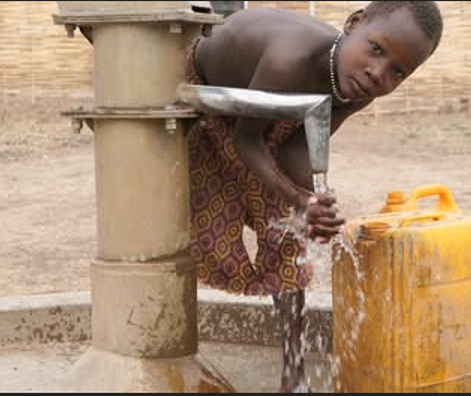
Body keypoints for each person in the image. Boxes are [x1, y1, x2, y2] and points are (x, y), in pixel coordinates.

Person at [185, 1, 443, 392]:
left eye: (398, 72)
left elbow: (295, 150)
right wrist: (297, 196)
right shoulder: (290, 58)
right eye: (376, 49)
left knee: (291, 233)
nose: (378, 73)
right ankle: (166, 346)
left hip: (265, 110)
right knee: (180, 219)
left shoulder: (357, 85)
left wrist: (313, 200)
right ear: (355, 23)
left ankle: (295, 376)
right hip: (205, 94)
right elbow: (247, 139)